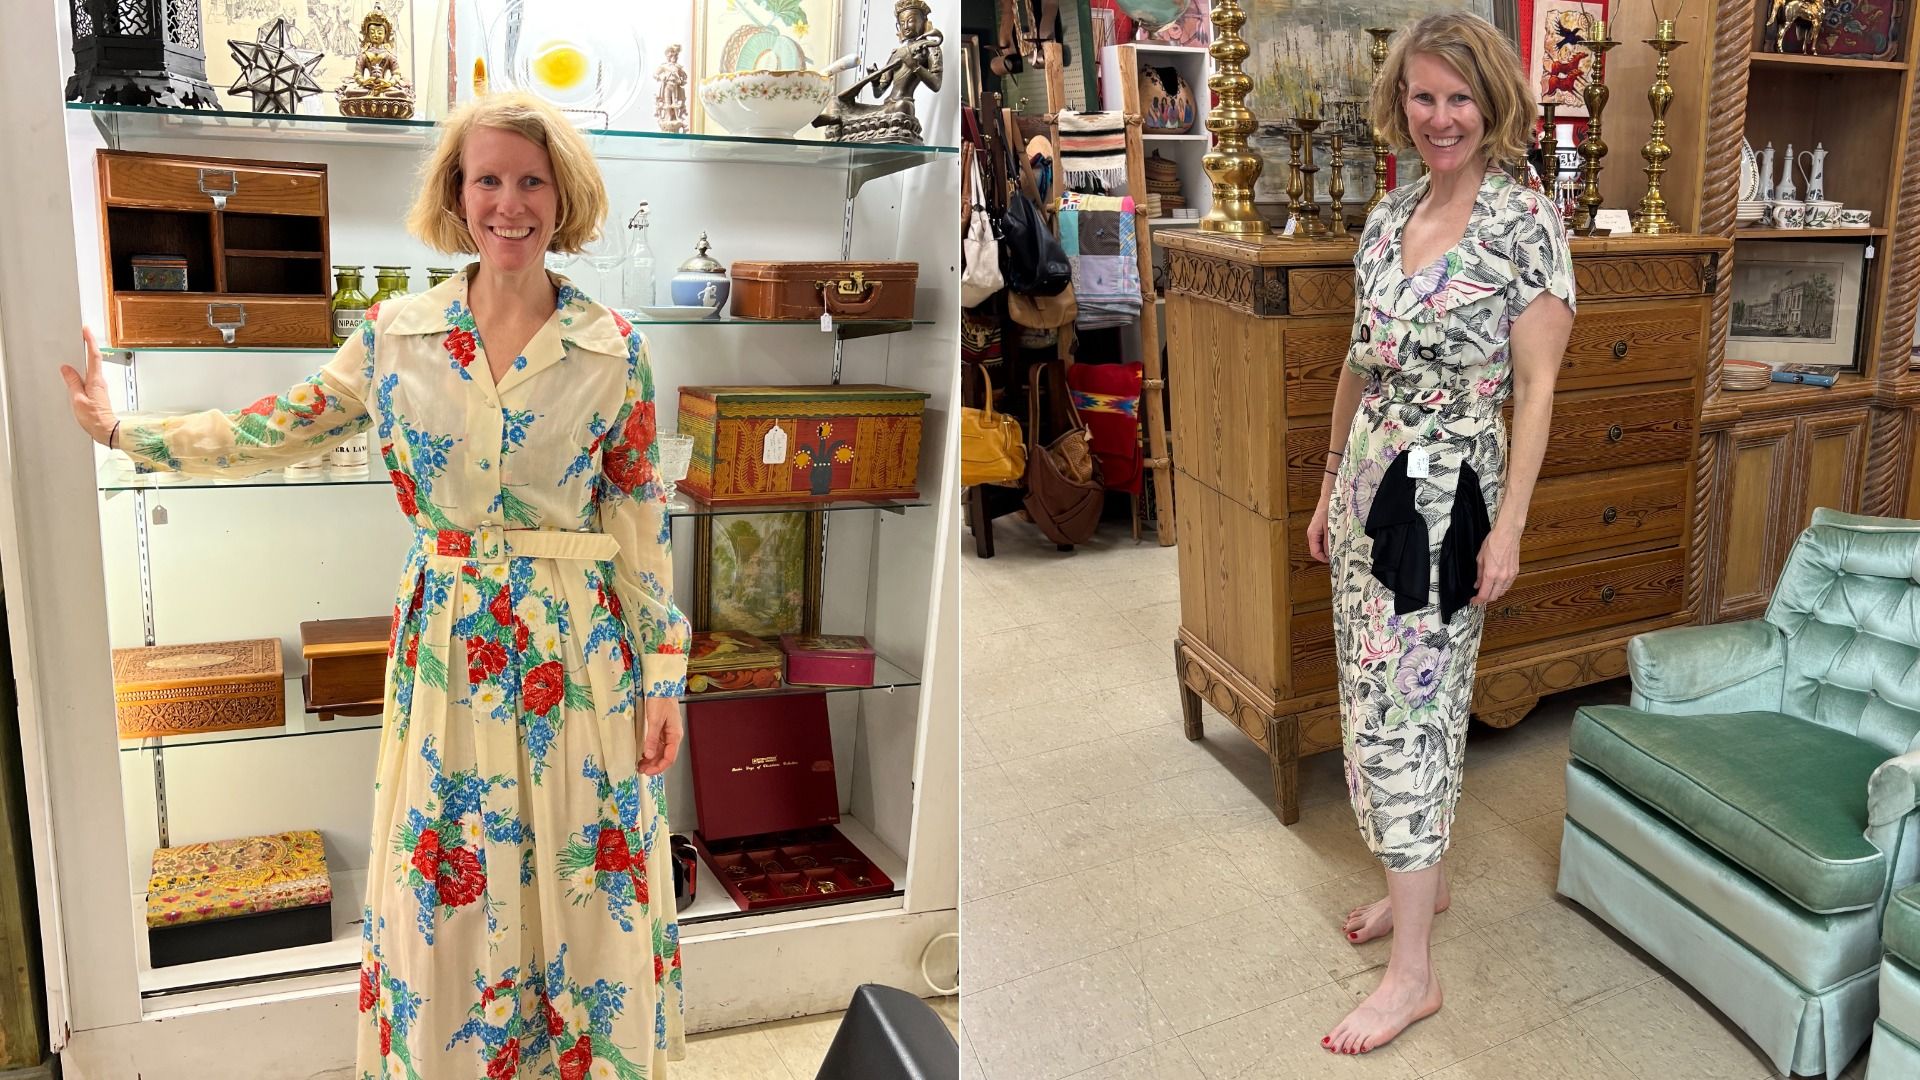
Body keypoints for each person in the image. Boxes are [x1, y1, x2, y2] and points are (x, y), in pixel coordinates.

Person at [60, 91, 691, 1077]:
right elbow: (278, 424)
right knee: (447, 882)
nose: (510, 204)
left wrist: (663, 674)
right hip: (449, 647)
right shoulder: (398, 335)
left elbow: (640, 516)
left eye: (532, 181)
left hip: (579, 650)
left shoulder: (615, 350)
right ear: (457, 193)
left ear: (563, 199)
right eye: (489, 179)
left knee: (579, 869)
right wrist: (126, 432)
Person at [1305, 11, 1575, 1055]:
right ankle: (1422, 886)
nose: (1440, 117)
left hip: (1448, 503)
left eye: (1459, 97)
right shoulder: (1389, 216)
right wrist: (1330, 481)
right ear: (1400, 103)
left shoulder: (1522, 225)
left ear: (1492, 104)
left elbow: (1540, 391)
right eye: (1423, 96)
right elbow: (1357, 363)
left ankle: (1411, 973)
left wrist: (1509, 530)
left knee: (1407, 712)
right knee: (1370, 691)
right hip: (1372, 487)